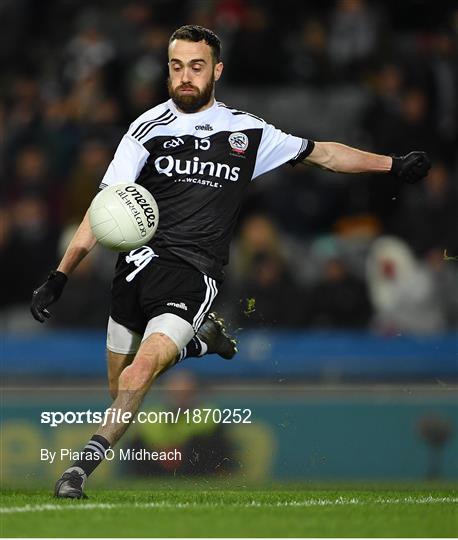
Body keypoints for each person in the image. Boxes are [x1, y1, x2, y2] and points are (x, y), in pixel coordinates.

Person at [30, 25, 431, 498]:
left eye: (196, 67)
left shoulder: (247, 131)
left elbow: (325, 154)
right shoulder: (145, 130)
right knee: (120, 388)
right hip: (135, 268)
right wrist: (60, 275)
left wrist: (392, 164)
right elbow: (103, 211)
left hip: (193, 274)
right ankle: (199, 344)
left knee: (141, 373)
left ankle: (77, 471)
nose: (185, 76)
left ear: (216, 70)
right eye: (176, 66)